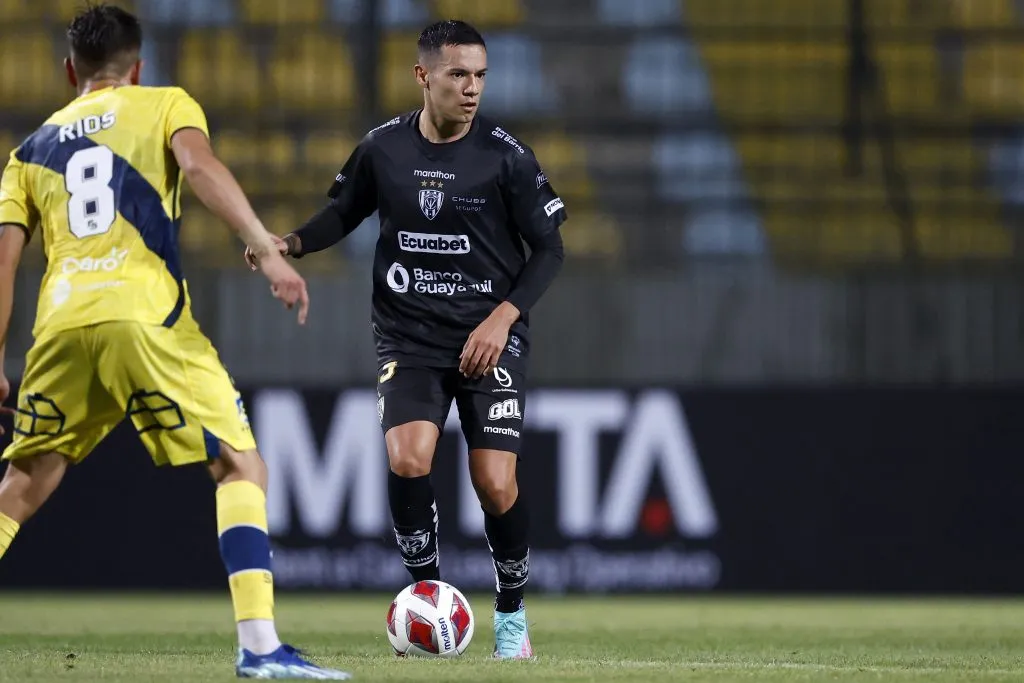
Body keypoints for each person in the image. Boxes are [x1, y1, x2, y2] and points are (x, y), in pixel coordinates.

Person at [0, 5, 349, 680]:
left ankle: (262, 649)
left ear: (70, 69)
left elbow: (4, 263)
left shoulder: (27, 151)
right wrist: (267, 251)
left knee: (22, 483)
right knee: (242, 467)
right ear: (138, 67)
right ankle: (259, 647)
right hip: (145, 317)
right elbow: (200, 169)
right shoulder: (163, 103)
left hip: (62, 328)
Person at [246, 19, 566, 660]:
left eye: (479, 76)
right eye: (457, 75)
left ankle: (511, 616)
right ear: (424, 76)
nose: (471, 89)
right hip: (410, 334)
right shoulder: (383, 148)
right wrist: (291, 244)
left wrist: (504, 317)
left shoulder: (506, 156)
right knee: (408, 457)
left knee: (495, 483)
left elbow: (550, 248)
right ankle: (426, 595)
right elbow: (343, 211)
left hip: (489, 337)